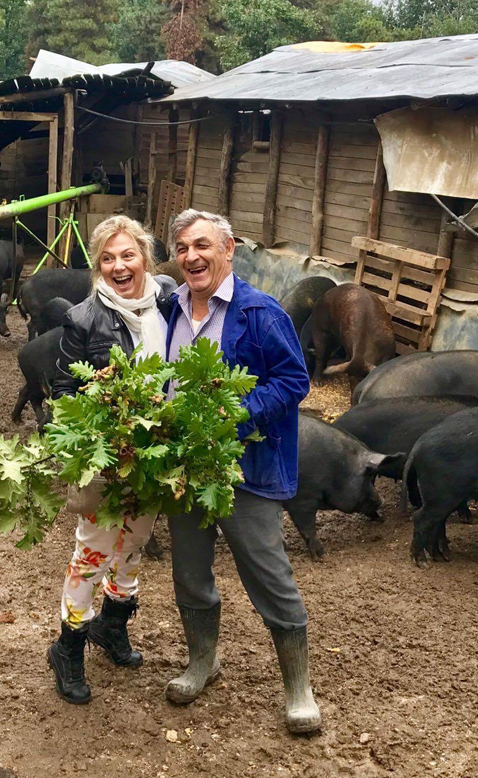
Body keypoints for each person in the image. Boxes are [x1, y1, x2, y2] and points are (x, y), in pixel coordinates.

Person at [164, 209, 321, 734]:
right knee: (189, 572)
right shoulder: (171, 309)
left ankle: (298, 688)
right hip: (184, 469)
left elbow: (295, 380)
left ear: (229, 250)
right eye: (184, 247)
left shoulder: (260, 313)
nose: (193, 257)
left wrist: (238, 410)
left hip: (244, 470)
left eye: (203, 245)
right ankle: (202, 663)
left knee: (268, 575)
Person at [47, 215, 173, 705]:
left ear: (145, 256)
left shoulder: (166, 300)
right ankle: (68, 646)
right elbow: (61, 392)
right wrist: (95, 397)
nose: (119, 266)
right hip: (106, 456)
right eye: (108, 258)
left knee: (136, 542)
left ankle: (112, 625)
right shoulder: (83, 318)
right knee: (94, 551)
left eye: (128, 254)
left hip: (156, 453)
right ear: (98, 265)